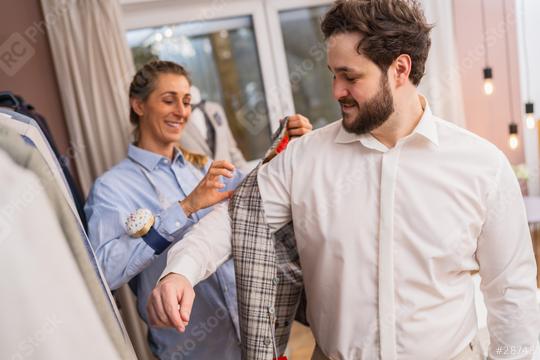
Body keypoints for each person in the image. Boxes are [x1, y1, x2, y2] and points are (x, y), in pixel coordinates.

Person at [147, 1, 540, 359]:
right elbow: (235, 220)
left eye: (350, 76)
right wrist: (181, 270)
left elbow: (511, 293)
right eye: (333, 75)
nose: (337, 90)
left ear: (400, 69)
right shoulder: (304, 158)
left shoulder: (481, 166)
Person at [84, 60, 312, 359]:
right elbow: (103, 274)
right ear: (138, 105)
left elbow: (261, 193)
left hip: (257, 341)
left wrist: (287, 146)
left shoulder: (205, 167)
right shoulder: (112, 188)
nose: (181, 111)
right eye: (169, 100)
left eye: (187, 101)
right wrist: (185, 208)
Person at [180, 85, 248, 171]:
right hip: (199, 181)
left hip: (230, 178)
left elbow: (231, 148)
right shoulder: (178, 117)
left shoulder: (215, 109)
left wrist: (247, 175)